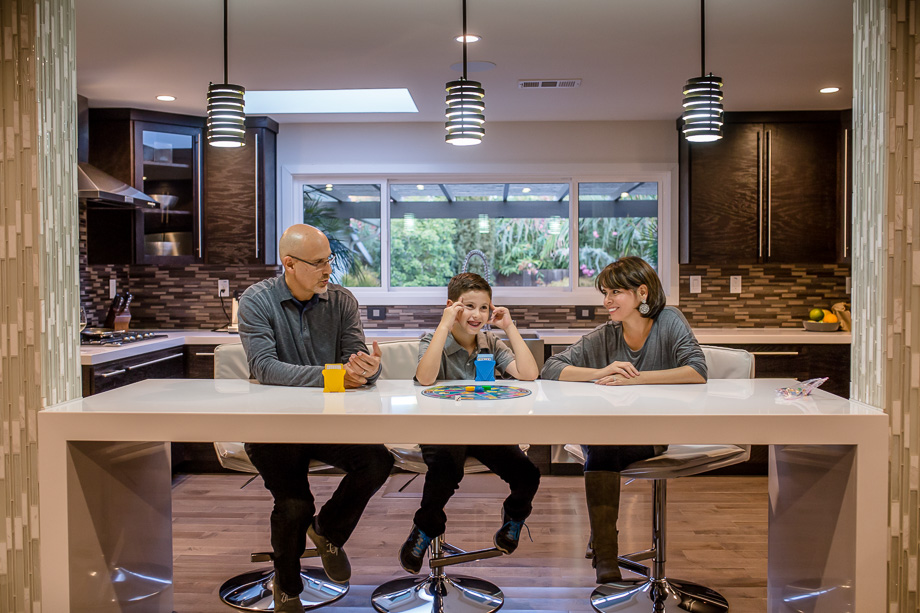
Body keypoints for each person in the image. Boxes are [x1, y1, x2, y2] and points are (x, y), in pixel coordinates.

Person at [238, 223, 394, 612]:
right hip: (273, 425)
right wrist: (337, 375)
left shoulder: (342, 301)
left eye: (331, 260)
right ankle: (287, 587)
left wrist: (369, 369)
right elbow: (266, 368)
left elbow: (357, 362)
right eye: (319, 262)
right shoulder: (256, 301)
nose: (329, 270)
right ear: (289, 264)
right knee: (295, 504)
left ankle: (327, 532)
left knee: (378, 461)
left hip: (328, 424)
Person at [540, 256, 707, 584]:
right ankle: (604, 551)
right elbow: (551, 368)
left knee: (600, 450)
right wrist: (601, 371)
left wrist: (638, 378)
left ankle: (604, 553)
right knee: (602, 444)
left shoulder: (669, 320)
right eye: (605, 293)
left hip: (652, 432)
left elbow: (697, 370)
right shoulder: (607, 335)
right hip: (606, 433)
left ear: (642, 293)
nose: (607, 301)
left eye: (616, 292)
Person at [399, 272, 542, 574]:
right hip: (441, 430)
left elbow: (529, 374)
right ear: (452, 306)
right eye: (469, 306)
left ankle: (513, 518)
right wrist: (443, 324)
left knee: (527, 474)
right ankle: (425, 528)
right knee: (446, 468)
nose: (477, 315)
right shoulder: (433, 339)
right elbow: (425, 378)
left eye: (484, 308)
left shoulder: (490, 341)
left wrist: (509, 326)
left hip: (483, 429)